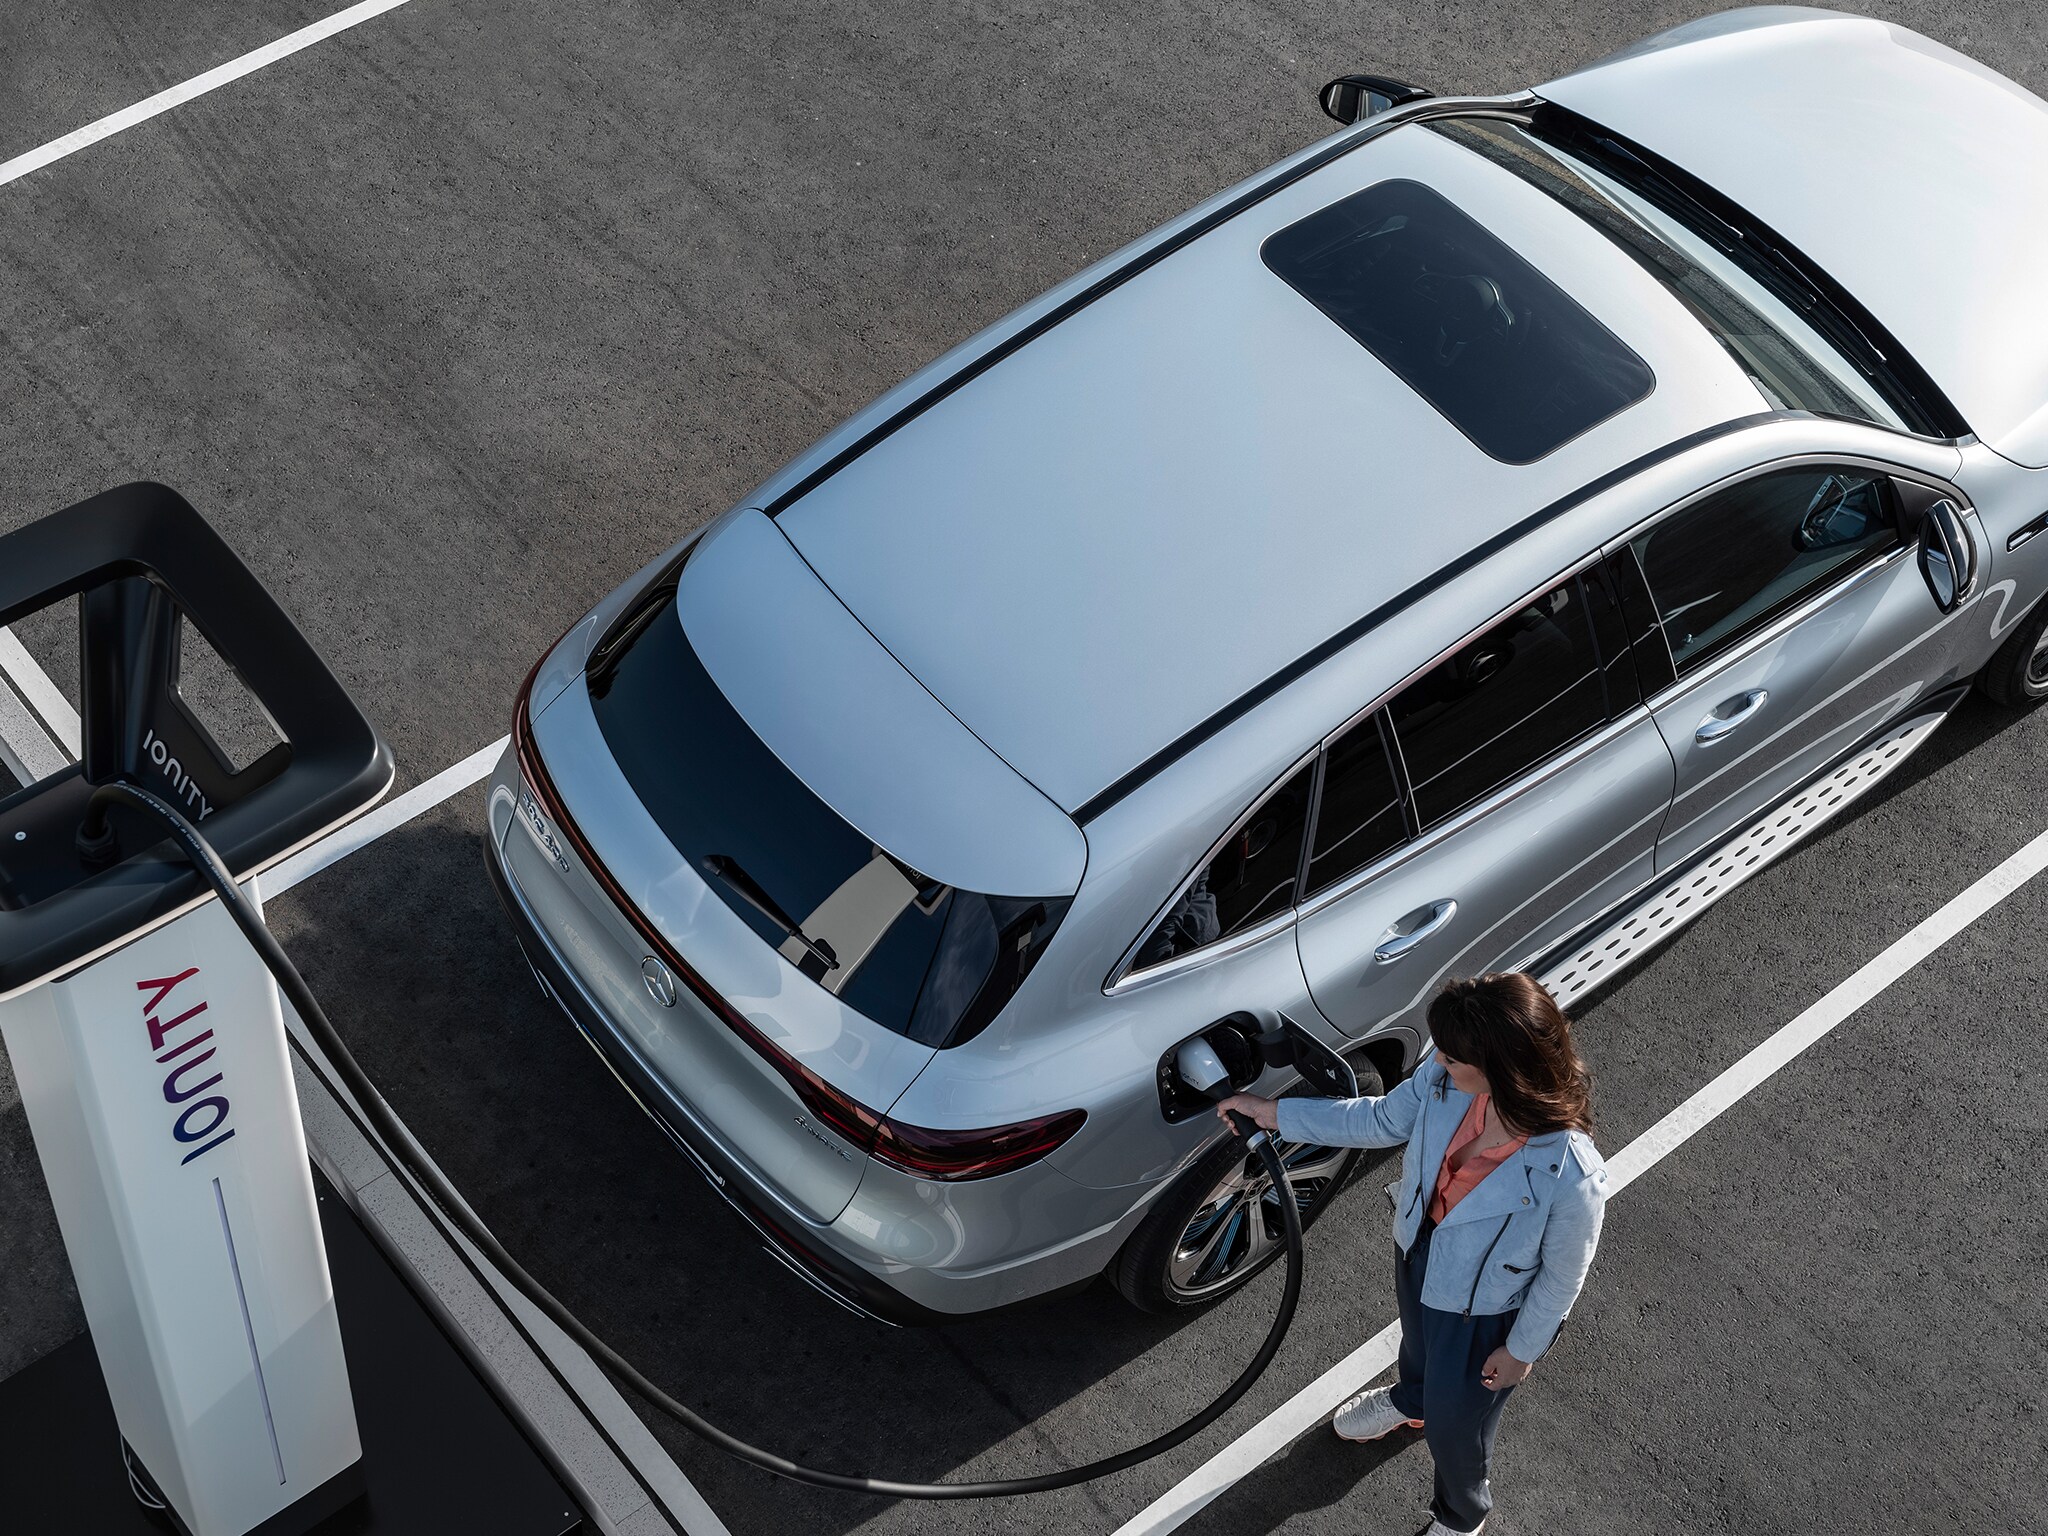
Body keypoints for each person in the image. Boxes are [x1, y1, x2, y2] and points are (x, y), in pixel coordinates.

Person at [1215, 972, 1609, 1536]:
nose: (1437, 1062)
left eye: (1452, 1057)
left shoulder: (1571, 1174)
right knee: (1418, 1351)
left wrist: (1521, 1351)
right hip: (1418, 1255)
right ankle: (1413, 1400)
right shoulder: (1447, 1080)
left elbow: (1562, 1277)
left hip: (1482, 1315)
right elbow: (1379, 1119)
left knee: (1459, 1431)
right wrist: (1274, 1115)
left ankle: (1461, 1516)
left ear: (1501, 1064)